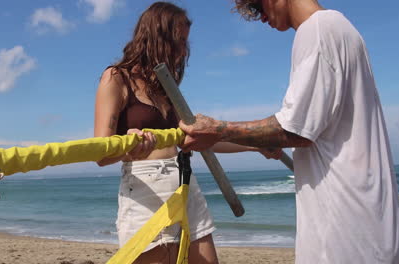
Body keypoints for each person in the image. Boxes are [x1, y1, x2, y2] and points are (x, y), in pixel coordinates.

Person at [179, 0, 399, 263]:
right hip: (367, 219)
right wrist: (261, 139)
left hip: (346, 228)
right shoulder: (340, 28)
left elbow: (294, 130)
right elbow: (314, 125)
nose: (259, 17)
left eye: (255, 6)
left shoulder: (317, 30)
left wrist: (217, 129)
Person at [94, 2, 280, 263]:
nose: (183, 51)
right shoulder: (116, 78)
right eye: (179, 41)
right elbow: (101, 153)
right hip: (145, 191)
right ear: (157, 36)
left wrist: (256, 146)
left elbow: (202, 139)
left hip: (185, 183)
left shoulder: (166, 90)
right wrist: (127, 144)